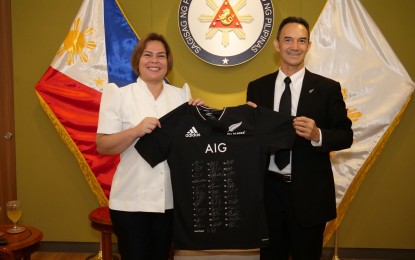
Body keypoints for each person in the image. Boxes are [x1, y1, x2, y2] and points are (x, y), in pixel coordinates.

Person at [246, 16, 353, 259]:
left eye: (302, 41)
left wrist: (318, 134)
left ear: (309, 46)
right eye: (289, 40)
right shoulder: (257, 88)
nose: (295, 46)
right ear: (277, 45)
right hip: (268, 194)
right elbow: (251, 141)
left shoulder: (327, 88)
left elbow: (345, 136)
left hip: (309, 195)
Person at [96, 33, 204, 260]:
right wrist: (135, 131)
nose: (154, 61)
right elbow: (103, 146)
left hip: (171, 201)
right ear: (138, 60)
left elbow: (192, 145)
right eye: (148, 55)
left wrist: (200, 117)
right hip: (130, 200)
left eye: (161, 56)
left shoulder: (181, 96)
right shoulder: (119, 94)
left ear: (168, 62)